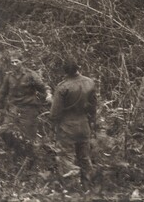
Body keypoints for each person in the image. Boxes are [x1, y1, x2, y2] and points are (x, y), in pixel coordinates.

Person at [50, 59, 96, 191]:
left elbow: (54, 113)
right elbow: (93, 107)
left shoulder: (63, 87)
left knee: (67, 157)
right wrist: (92, 122)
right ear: (78, 68)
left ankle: (72, 189)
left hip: (67, 127)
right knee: (85, 157)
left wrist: (54, 124)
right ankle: (89, 188)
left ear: (64, 72)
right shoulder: (90, 82)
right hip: (84, 124)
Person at [0, 50, 52, 155]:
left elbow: (43, 86)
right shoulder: (9, 76)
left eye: (16, 62)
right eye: (12, 62)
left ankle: (29, 159)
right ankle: (15, 152)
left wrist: (48, 94)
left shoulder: (30, 75)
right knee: (4, 131)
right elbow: (2, 93)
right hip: (13, 109)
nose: (14, 64)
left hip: (28, 109)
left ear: (21, 61)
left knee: (29, 137)